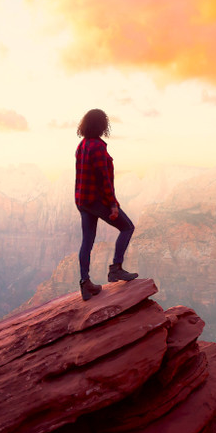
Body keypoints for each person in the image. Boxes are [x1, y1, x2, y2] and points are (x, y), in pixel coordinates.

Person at [74, 108, 138, 300]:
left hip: (82, 200)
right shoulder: (98, 147)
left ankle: (85, 283)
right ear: (102, 125)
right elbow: (105, 180)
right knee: (127, 227)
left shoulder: (82, 145)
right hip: (96, 201)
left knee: (87, 241)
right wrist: (113, 205)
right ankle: (116, 269)